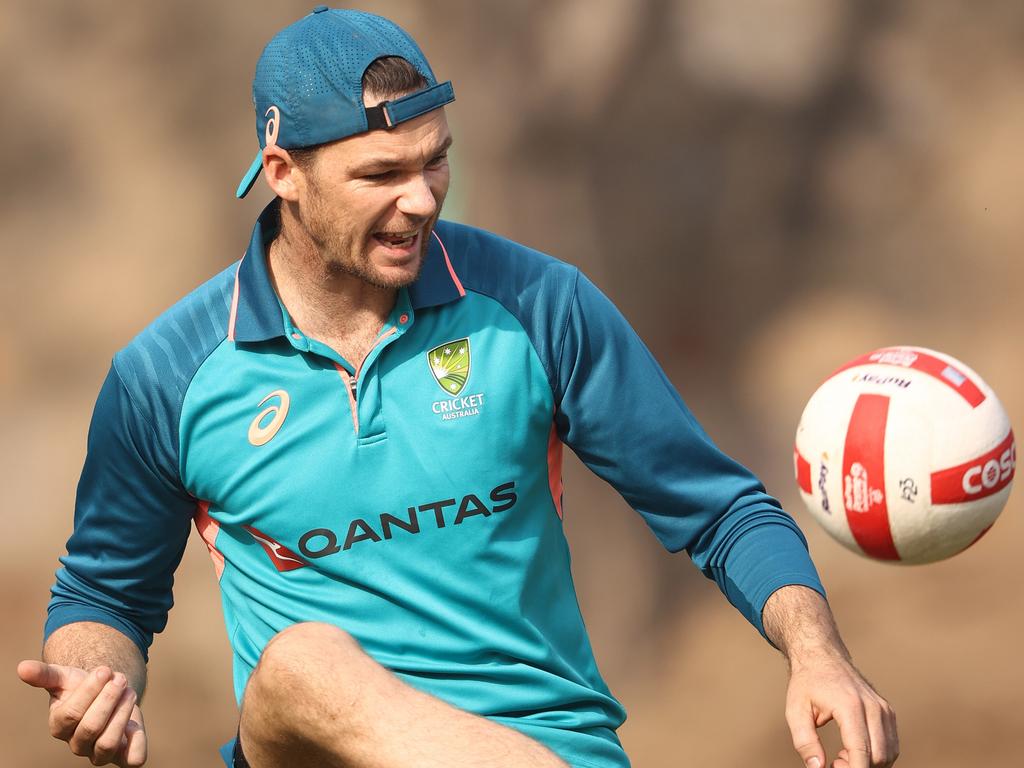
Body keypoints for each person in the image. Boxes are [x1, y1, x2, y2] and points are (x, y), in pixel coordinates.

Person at [18, 7, 899, 768]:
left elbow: (719, 510)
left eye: (434, 162)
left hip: (546, 742)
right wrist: (99, 679)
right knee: (300, 666)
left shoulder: (538, 305)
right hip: (312, 750)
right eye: (381, 176)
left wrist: (817, 651)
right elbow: (103, 597)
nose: (422, 200)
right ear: (283, 172)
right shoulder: (165, 375)